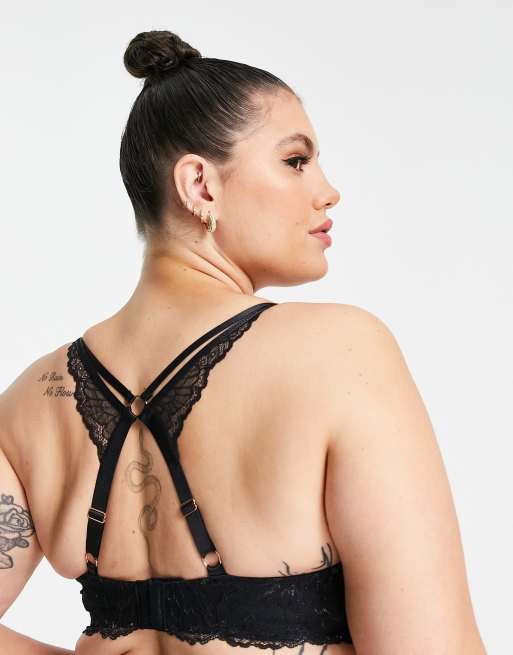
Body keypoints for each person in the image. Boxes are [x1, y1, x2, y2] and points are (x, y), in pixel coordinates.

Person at [0, 29, 486, 655]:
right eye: (296, 161)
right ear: (201, 185)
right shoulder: (341, 353)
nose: (328, 190)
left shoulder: (34, 402)